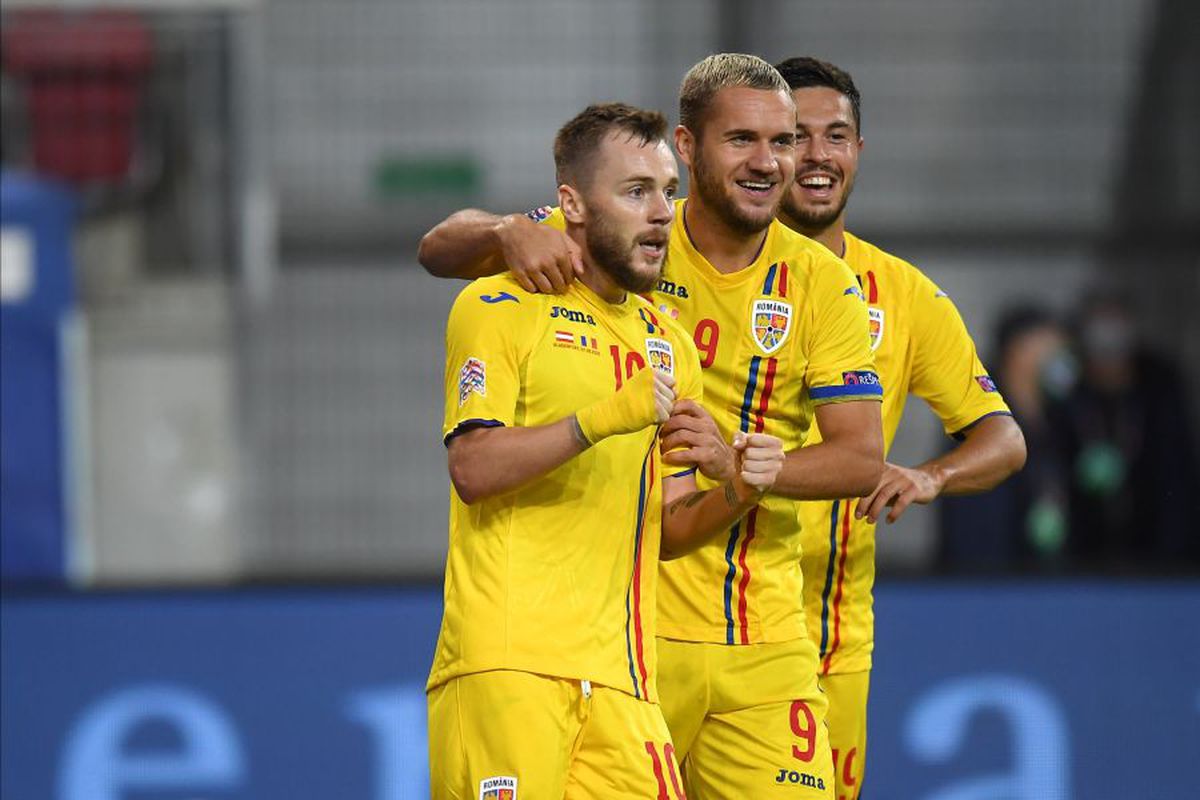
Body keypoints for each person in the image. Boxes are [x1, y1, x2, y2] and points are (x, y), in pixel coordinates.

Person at [420, 54, 886, 799]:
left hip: (650, 665)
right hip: (525, 658)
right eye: (743, 140)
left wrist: (742, 482)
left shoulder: (675, 334)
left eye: (784, 141)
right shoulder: (529, 281)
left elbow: (677, 520)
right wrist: (508, 230)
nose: (770, 161)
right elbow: (471, 463)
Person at [774, 57, 1027, 799]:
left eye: (836, 135)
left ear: (859, 149)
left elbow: (1003, 438)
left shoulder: (904, 295)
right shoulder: (690, 268)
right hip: (688, 621)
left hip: (827, 640)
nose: (818, 155)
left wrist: (932, 474)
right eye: (797, 136)